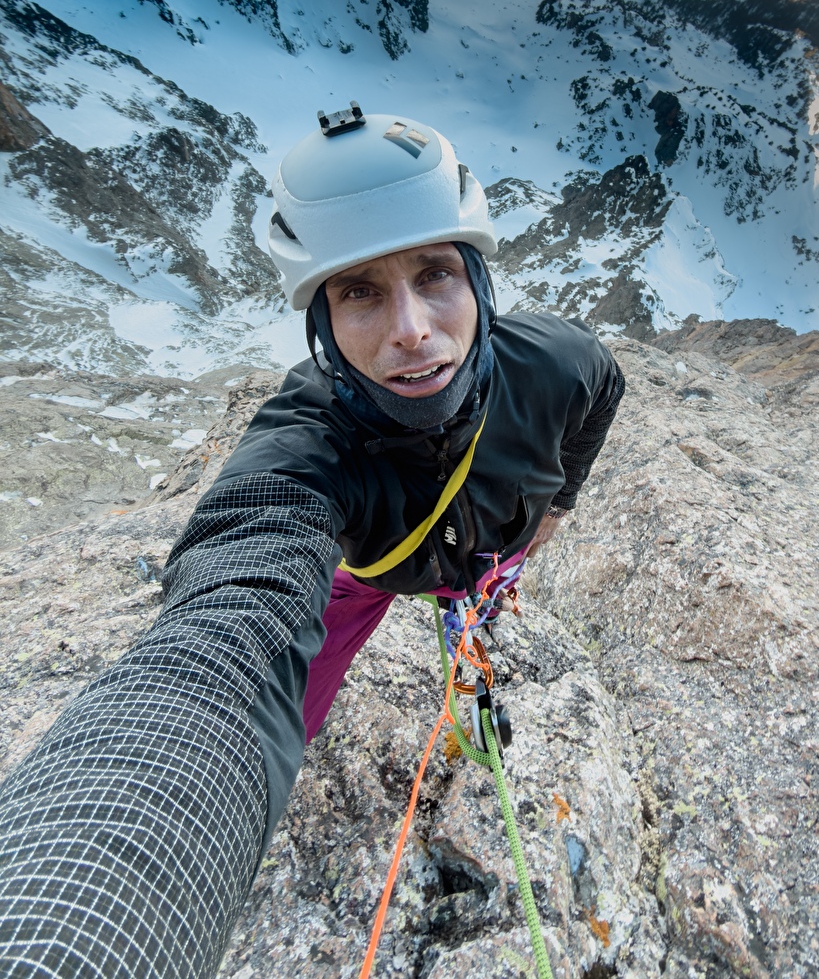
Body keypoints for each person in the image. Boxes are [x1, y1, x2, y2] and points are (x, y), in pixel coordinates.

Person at [0, 106, 625, 978]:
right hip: (367, 571)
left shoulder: (558, 360)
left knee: (471, 600)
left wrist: (553, 511)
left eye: (435, 275)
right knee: (284, 695)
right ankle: (254, 798)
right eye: (360, 291)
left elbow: (597, 403)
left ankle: (465, 623)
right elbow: (227, 628)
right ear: (321, 321)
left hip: (483, 555)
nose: (410, 328)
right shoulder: (306, 445)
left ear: (479, 283)